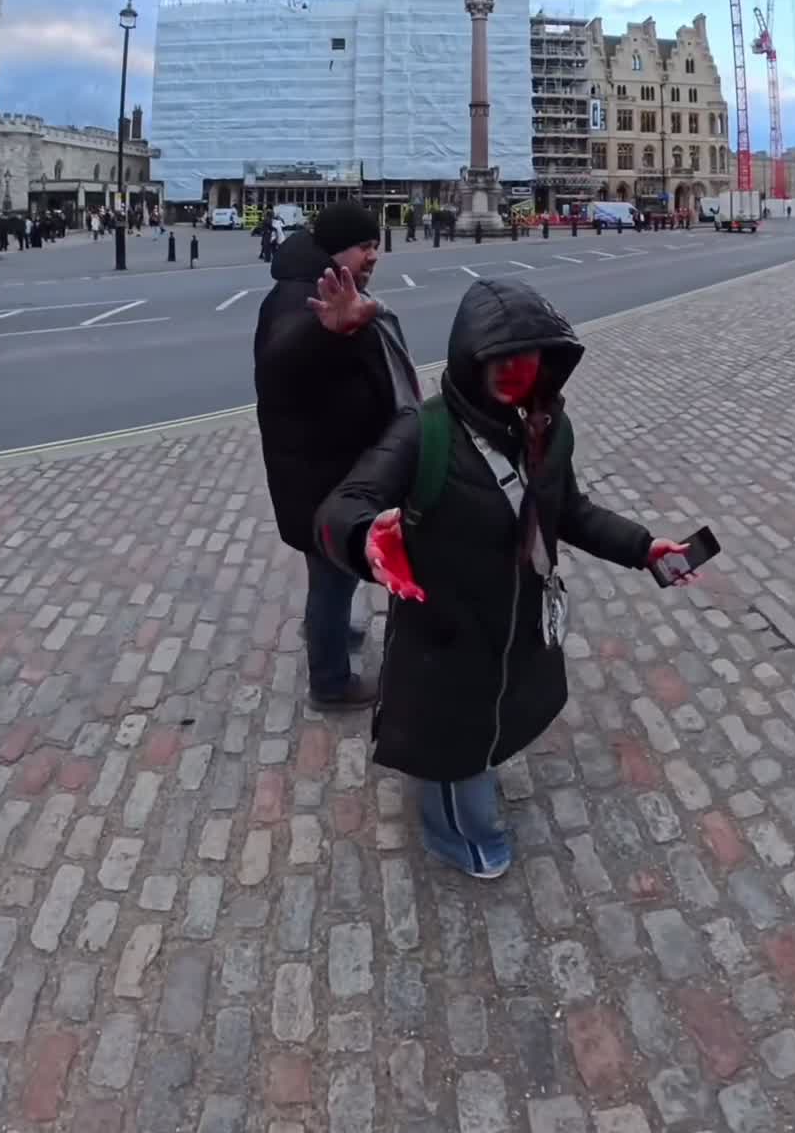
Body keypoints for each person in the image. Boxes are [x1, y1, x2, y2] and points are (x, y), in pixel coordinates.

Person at [314, 279, 695, 879]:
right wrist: (365, 540)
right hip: (443, 629)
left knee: (488, 726)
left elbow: (567, 511)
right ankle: (453, 834)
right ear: (473, 359)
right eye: (501, 357)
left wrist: (644, 549)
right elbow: (343, 506)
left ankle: (464, 793)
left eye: (529, 354)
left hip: (513, 618)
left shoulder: (544, 430)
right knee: (451, 748)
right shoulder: (424, 432)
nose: (517, 369)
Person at [254, 202, 420, 708]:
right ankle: (331, 682)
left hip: (330, 464)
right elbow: (280, 360)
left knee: (333, 571)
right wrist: (328, 330)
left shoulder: (326, 285)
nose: (374, 255)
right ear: (334, 249)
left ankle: (332, 631)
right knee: (333, 574)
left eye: (377, 245)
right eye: (364, 246)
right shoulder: (301, 298)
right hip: (322, 472)